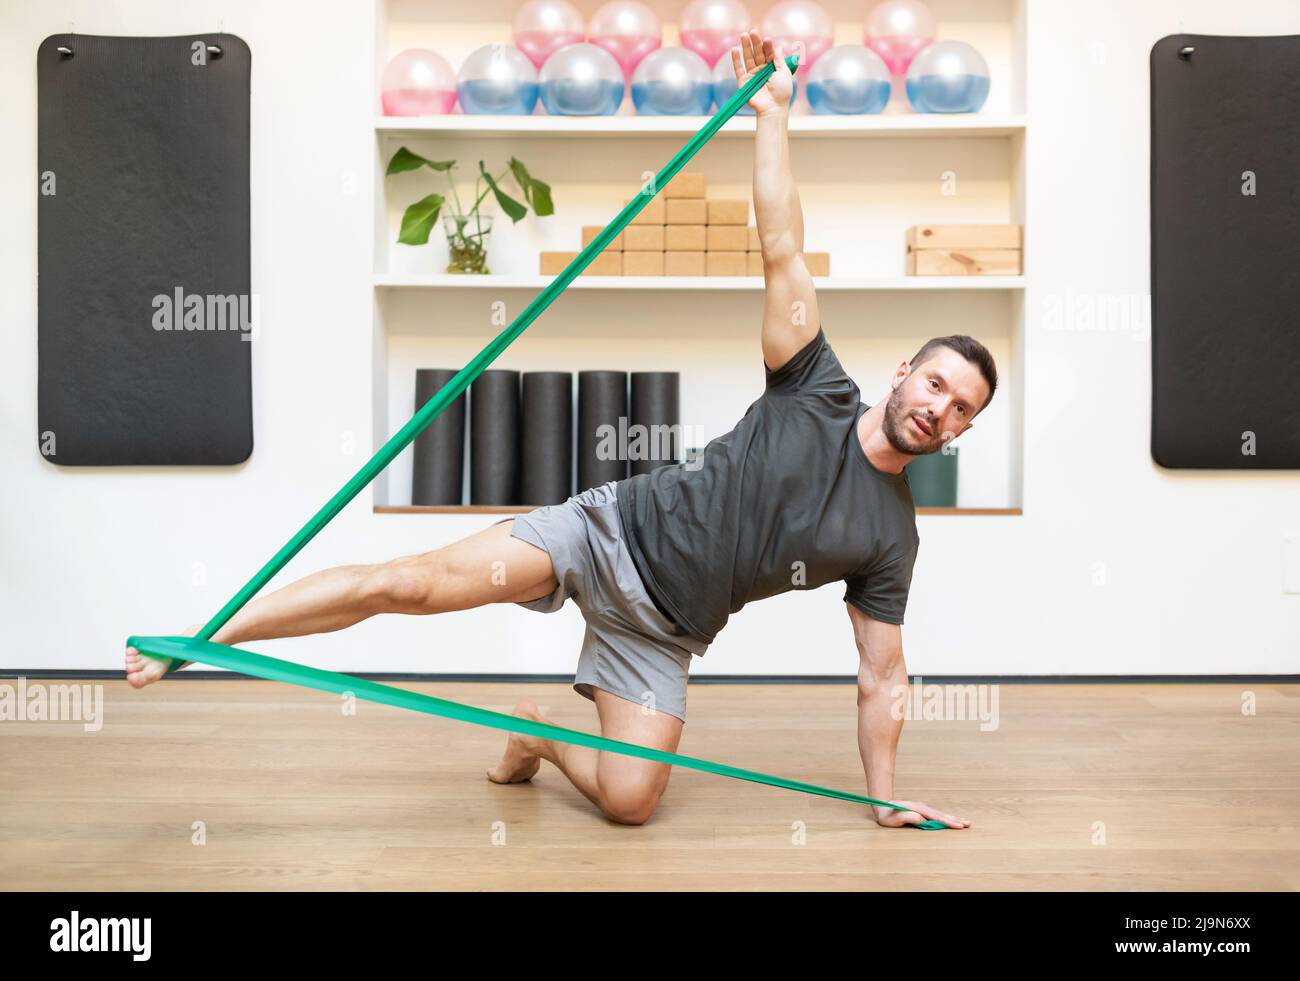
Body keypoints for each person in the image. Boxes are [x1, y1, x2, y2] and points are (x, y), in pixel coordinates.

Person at [126, 30, 991, 830]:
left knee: (631, 801)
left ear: (956, 433)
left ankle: (533, 730)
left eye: (961, 409)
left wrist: (883, 802)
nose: (938, 407)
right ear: (904, 371)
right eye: (937, 382)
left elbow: (882, 676)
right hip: (602, 532)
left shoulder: (890, 537)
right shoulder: (814, 382)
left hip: (665, 630)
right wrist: (772, 120)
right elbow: (782, 246)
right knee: (410, 583)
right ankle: (207, 638)